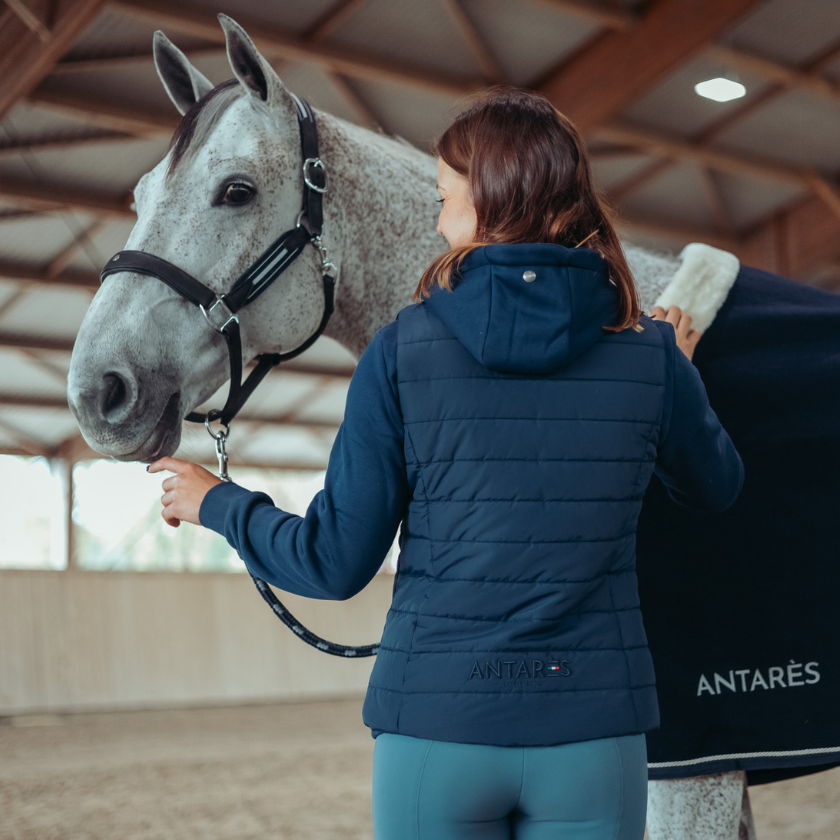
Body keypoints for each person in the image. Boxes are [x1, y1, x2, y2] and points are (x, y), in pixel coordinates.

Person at [149, 87, 744, 840]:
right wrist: (677, 374)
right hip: (594, 733)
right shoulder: (651, 359)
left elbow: (333, 565)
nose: (437, 219)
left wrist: (218, 505)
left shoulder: (403, 352)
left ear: (492, 200)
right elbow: (717, 490)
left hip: (436, 728)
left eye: (445, 197)